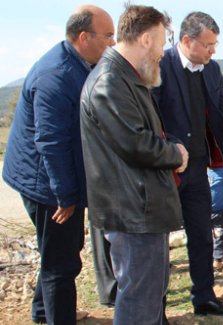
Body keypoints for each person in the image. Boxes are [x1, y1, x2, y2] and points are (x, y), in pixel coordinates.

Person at [2, 5, 114, 323]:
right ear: (83, 37)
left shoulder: (80, 62)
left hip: (54, 178)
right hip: (45, 183)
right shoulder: (56, 76)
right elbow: (51, 143)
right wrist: (65, 196)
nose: (112, 42)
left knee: (59, 252)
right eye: (107, 36)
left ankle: (42, 312)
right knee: (61, 263)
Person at [80, 5, 188, 324]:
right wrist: (176, 154)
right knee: (139, 300)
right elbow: (136, 143)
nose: (162, 52)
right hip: (133, 213)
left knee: (149, 293)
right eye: (160, 42)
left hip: (140, 209)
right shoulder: (110, 81)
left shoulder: (124, 77)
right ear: (144, 39)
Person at [153, 11, 223, 316]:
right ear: (187, 41)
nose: (214, 51)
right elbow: (151, 118)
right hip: (166, 170)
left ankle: (203, 297)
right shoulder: (161, 66)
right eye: (208, 45)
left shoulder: (212, 70)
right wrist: (172, 147)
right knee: (159, 242)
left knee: (201, 234)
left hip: (199, 168)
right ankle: (156, 308)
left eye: (215, 45)